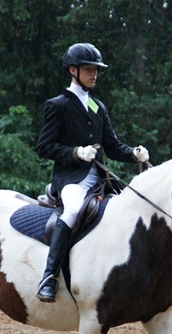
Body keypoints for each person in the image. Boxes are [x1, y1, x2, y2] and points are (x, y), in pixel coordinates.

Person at [35, 42, 149, 303]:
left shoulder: (98, 106)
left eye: (96, 70)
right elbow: (44, 146)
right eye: (89, 69)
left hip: (100, 180)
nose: (94, 74)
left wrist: (133, 153)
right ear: (73, 70)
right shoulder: (58, 105)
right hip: (71, 180)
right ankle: (48, 276)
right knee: (73, 209)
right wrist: (75, 153)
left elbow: (112, 145)